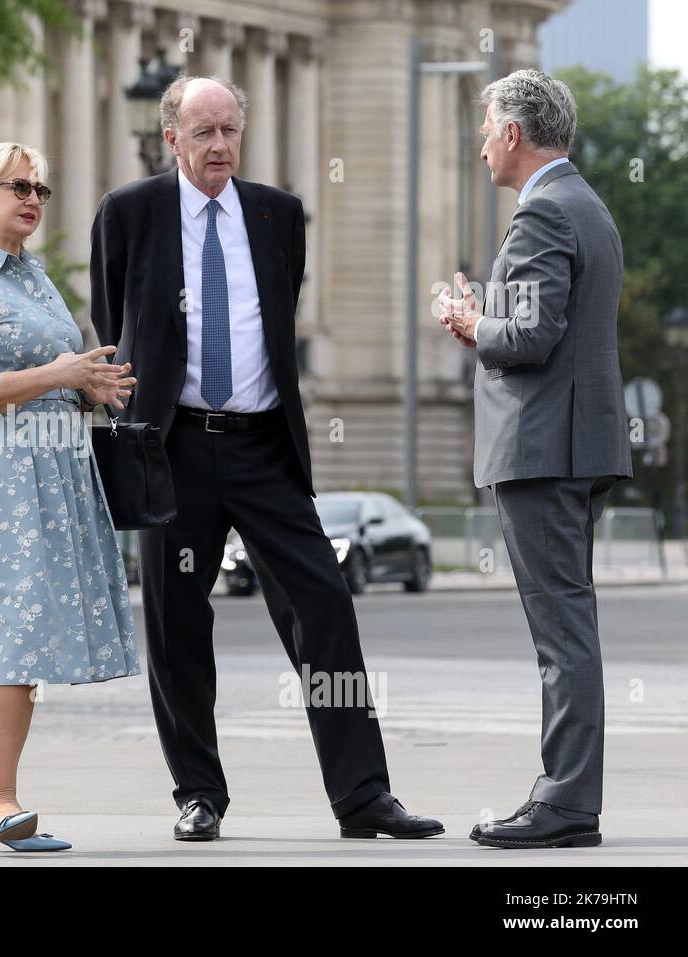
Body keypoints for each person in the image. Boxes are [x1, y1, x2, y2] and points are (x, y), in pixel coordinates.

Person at [90, 75, 442, 842]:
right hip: (172, 448)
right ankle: (198, 792)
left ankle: (362, 795)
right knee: (175, 623)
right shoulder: (129, 214)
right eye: (204, 132)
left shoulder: (278, 214)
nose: (220, 145)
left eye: (230, 131)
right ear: (170, 139)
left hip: (264, 446)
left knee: (325, 608)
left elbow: (277, 317)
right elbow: (109, 325)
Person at [0, 141, 139, 855]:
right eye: (18, 186)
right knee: (9, 636)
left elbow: (55, 369)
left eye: (39, 186)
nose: (33, 198)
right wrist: (57, 373)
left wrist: (85, 384)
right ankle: (3, 799)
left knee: (8, 636)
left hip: (49, 467)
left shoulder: (35, 277)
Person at [438, 69, 632, 849]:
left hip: (543, 451)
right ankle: (567, 798)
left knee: (561, 635)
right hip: (575, 445)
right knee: (570, 627)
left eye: (486, 129)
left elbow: (529, 338)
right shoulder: (585, 204)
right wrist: (496, 317)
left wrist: (467, 322)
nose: (481, 144)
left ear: (514, 134)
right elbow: (551, 324)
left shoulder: (541, 214)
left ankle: (564, 803)